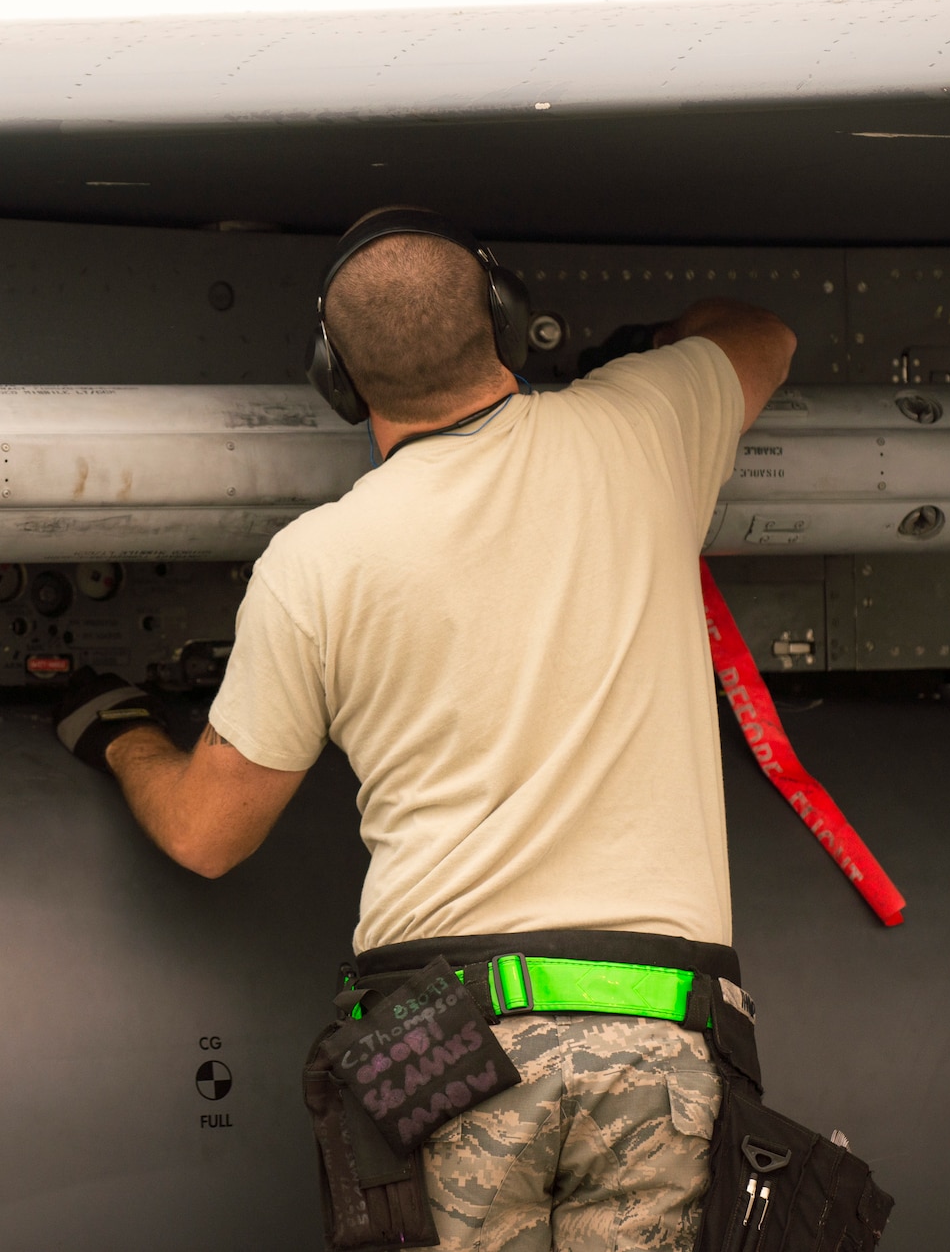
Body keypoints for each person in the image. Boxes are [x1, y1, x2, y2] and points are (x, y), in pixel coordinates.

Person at [54, 208, 794, 1251]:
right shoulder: (641, 427)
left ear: (336, 377)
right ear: (501, 317)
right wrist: (655, 344)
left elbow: (204, 834)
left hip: (443, 1037)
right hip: (655, 1023)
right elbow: (762, 335)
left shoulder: (315, 563)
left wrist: (116, 731)